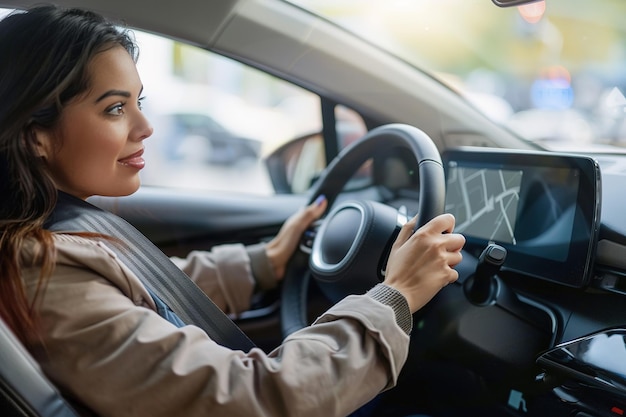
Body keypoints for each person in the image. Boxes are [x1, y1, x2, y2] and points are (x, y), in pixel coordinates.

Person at [0, 5, 465, 417]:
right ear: (34, 134)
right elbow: (255, 397)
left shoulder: (55, 238)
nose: (145, 127)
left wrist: (264, 263)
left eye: (137, 101)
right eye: (115, 108)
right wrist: (397, 295)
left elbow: (146, 291)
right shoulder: (40, 271)